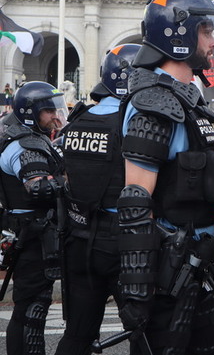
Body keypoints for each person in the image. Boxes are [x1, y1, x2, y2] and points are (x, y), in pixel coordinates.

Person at [116, 0, 214, 355]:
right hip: (171, 269)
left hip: (201, 258)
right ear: (178, 33)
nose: (213, 43)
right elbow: (136, 200)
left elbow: (192, 177)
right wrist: (138, 290)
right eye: (206, 32)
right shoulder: (153, 101)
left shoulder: (190, 98)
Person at [54, 43, 139, 355]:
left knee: (77, 334)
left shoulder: (78, 118)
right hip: (123, 241)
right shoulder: (132, 119)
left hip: (79, 236)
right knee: (144, 332)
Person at [0, 81, 68, 355]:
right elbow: (39, 188)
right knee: (33, 308)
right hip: (33, 235)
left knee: (30, 305)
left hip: (28, 232)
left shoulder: (17, 130)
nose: (55, 116)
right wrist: (72, 180)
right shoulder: (25, 144)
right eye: (48, 111)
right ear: (31, 112)